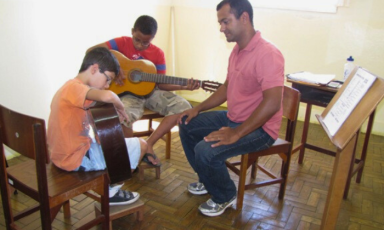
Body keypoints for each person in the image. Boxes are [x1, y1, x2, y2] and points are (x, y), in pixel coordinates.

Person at [177, 0, 285, 217]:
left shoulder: (268, 54)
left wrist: (237, 132)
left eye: (225, 21)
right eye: (220, 22)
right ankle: (208, 180)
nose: (221, 28)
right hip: (234, 117)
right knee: (186, 123)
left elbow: (273, 103)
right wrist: (197, 109)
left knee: (204, 151)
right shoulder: (237, 50)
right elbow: (227, 87)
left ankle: (224, 194)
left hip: (260, 130)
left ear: (244, 18)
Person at [87, 15, 200, 167]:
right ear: (132, 31)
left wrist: (185, 86)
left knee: (184, 107)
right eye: (137, 40)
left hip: (151, 92)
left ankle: (148, 145)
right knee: (123, 115)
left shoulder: (157, 54)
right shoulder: (121, 42)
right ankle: (127, 157)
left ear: (152, 38)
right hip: (126, 94)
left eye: (145, 42)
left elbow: (161, 84)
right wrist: (116, 66)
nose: (140, 45)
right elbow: (91, 51)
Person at [47, 47, 147, 206]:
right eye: (108, 79)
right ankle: (111, 192)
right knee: (141, 145)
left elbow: (90, 115)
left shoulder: (71, 88)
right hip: (75, 159)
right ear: (94, 69)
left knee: (112, 144)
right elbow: (109, 96)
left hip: (63, 155)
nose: (107, 85)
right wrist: (120, 107)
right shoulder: (74, 88)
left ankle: (110, 185)